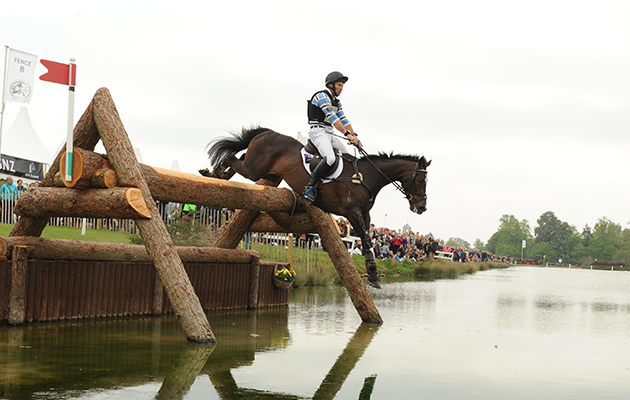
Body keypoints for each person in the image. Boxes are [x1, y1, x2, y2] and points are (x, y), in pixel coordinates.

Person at [303, 71, 362, 203]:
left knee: (348, 157)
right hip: (318, 132)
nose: (341, 88)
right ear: (331, 85)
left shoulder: (337, 102)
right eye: (339, 85)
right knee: (329, 158)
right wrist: (347, 135)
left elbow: (344, 120)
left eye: (342, 86)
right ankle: (310, 187)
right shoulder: (321, 96)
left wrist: (354, 136)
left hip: (329, 133)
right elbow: (333, 119)